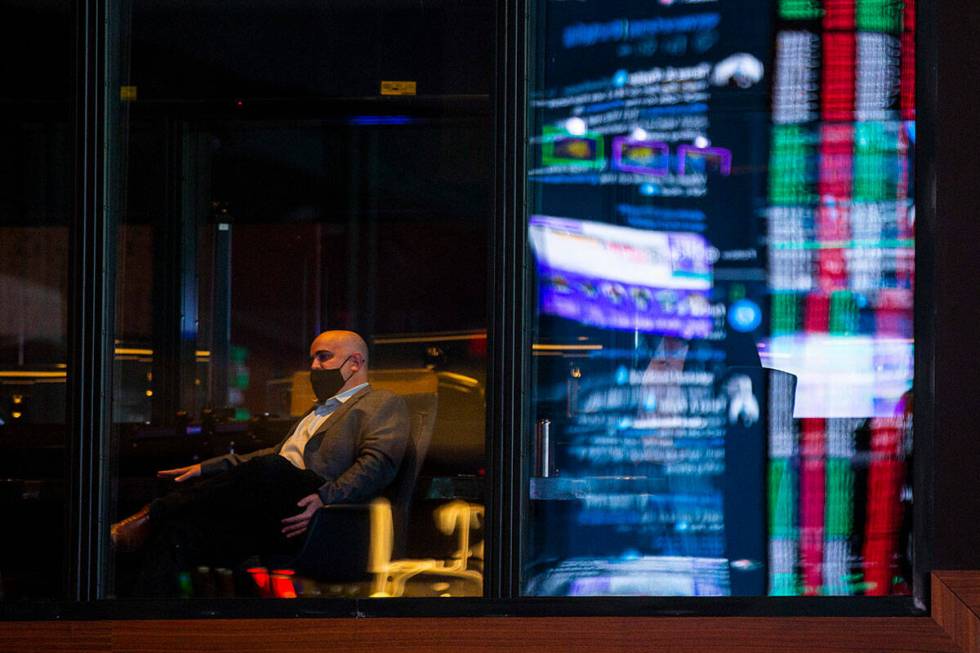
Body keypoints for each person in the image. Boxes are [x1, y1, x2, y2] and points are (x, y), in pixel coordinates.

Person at [110, 330, 410, 595]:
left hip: (316, 502)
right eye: (312, 359)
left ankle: (153, 513)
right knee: (180, 532)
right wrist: (208, 467)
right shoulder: (317, 411)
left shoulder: (381, 402)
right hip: (272, 503)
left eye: (323, 357)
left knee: (274, 466)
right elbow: (270, 456)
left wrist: (324, 497)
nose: (314, 367)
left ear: (355, 363)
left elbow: (378, 463)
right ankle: (145, 619)